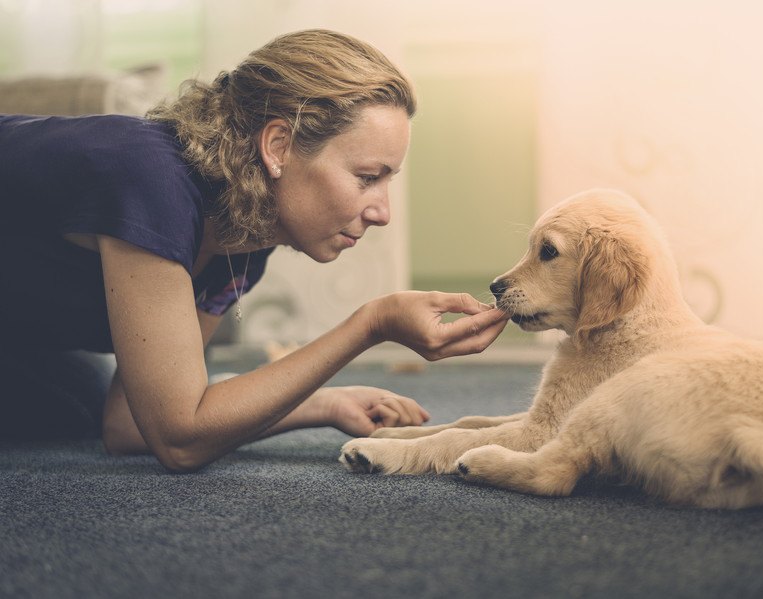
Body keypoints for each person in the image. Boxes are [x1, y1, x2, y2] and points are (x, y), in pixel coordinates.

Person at [0, 29, 509, 471]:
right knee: (74, 402)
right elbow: (179, 439)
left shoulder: (244, 243)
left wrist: (321, 404)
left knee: (84, 403)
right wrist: (370, 324)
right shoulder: (149, 181)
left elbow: (129, 425)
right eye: (367, 178)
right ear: (278, 146)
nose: (382, 212)